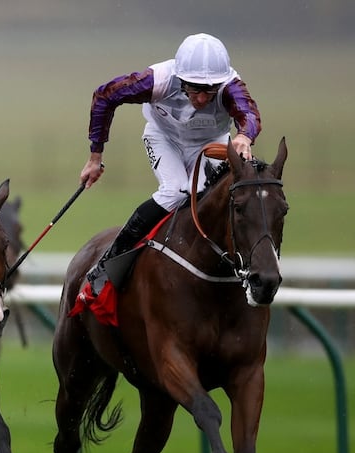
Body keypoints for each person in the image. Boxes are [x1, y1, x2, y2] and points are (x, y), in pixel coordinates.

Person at [80, 33, 262, 293]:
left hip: (211, 144)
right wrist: (95, 157)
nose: (201, 99)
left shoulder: (230, 86)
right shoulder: (158, 80)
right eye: (194, 88)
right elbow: (104, 96)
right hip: (163, 138)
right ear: (180, 78)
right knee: (175, 190)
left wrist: (245, 135)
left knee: (204, 197)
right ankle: (109, 262)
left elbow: (250, 114)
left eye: (209, 90)